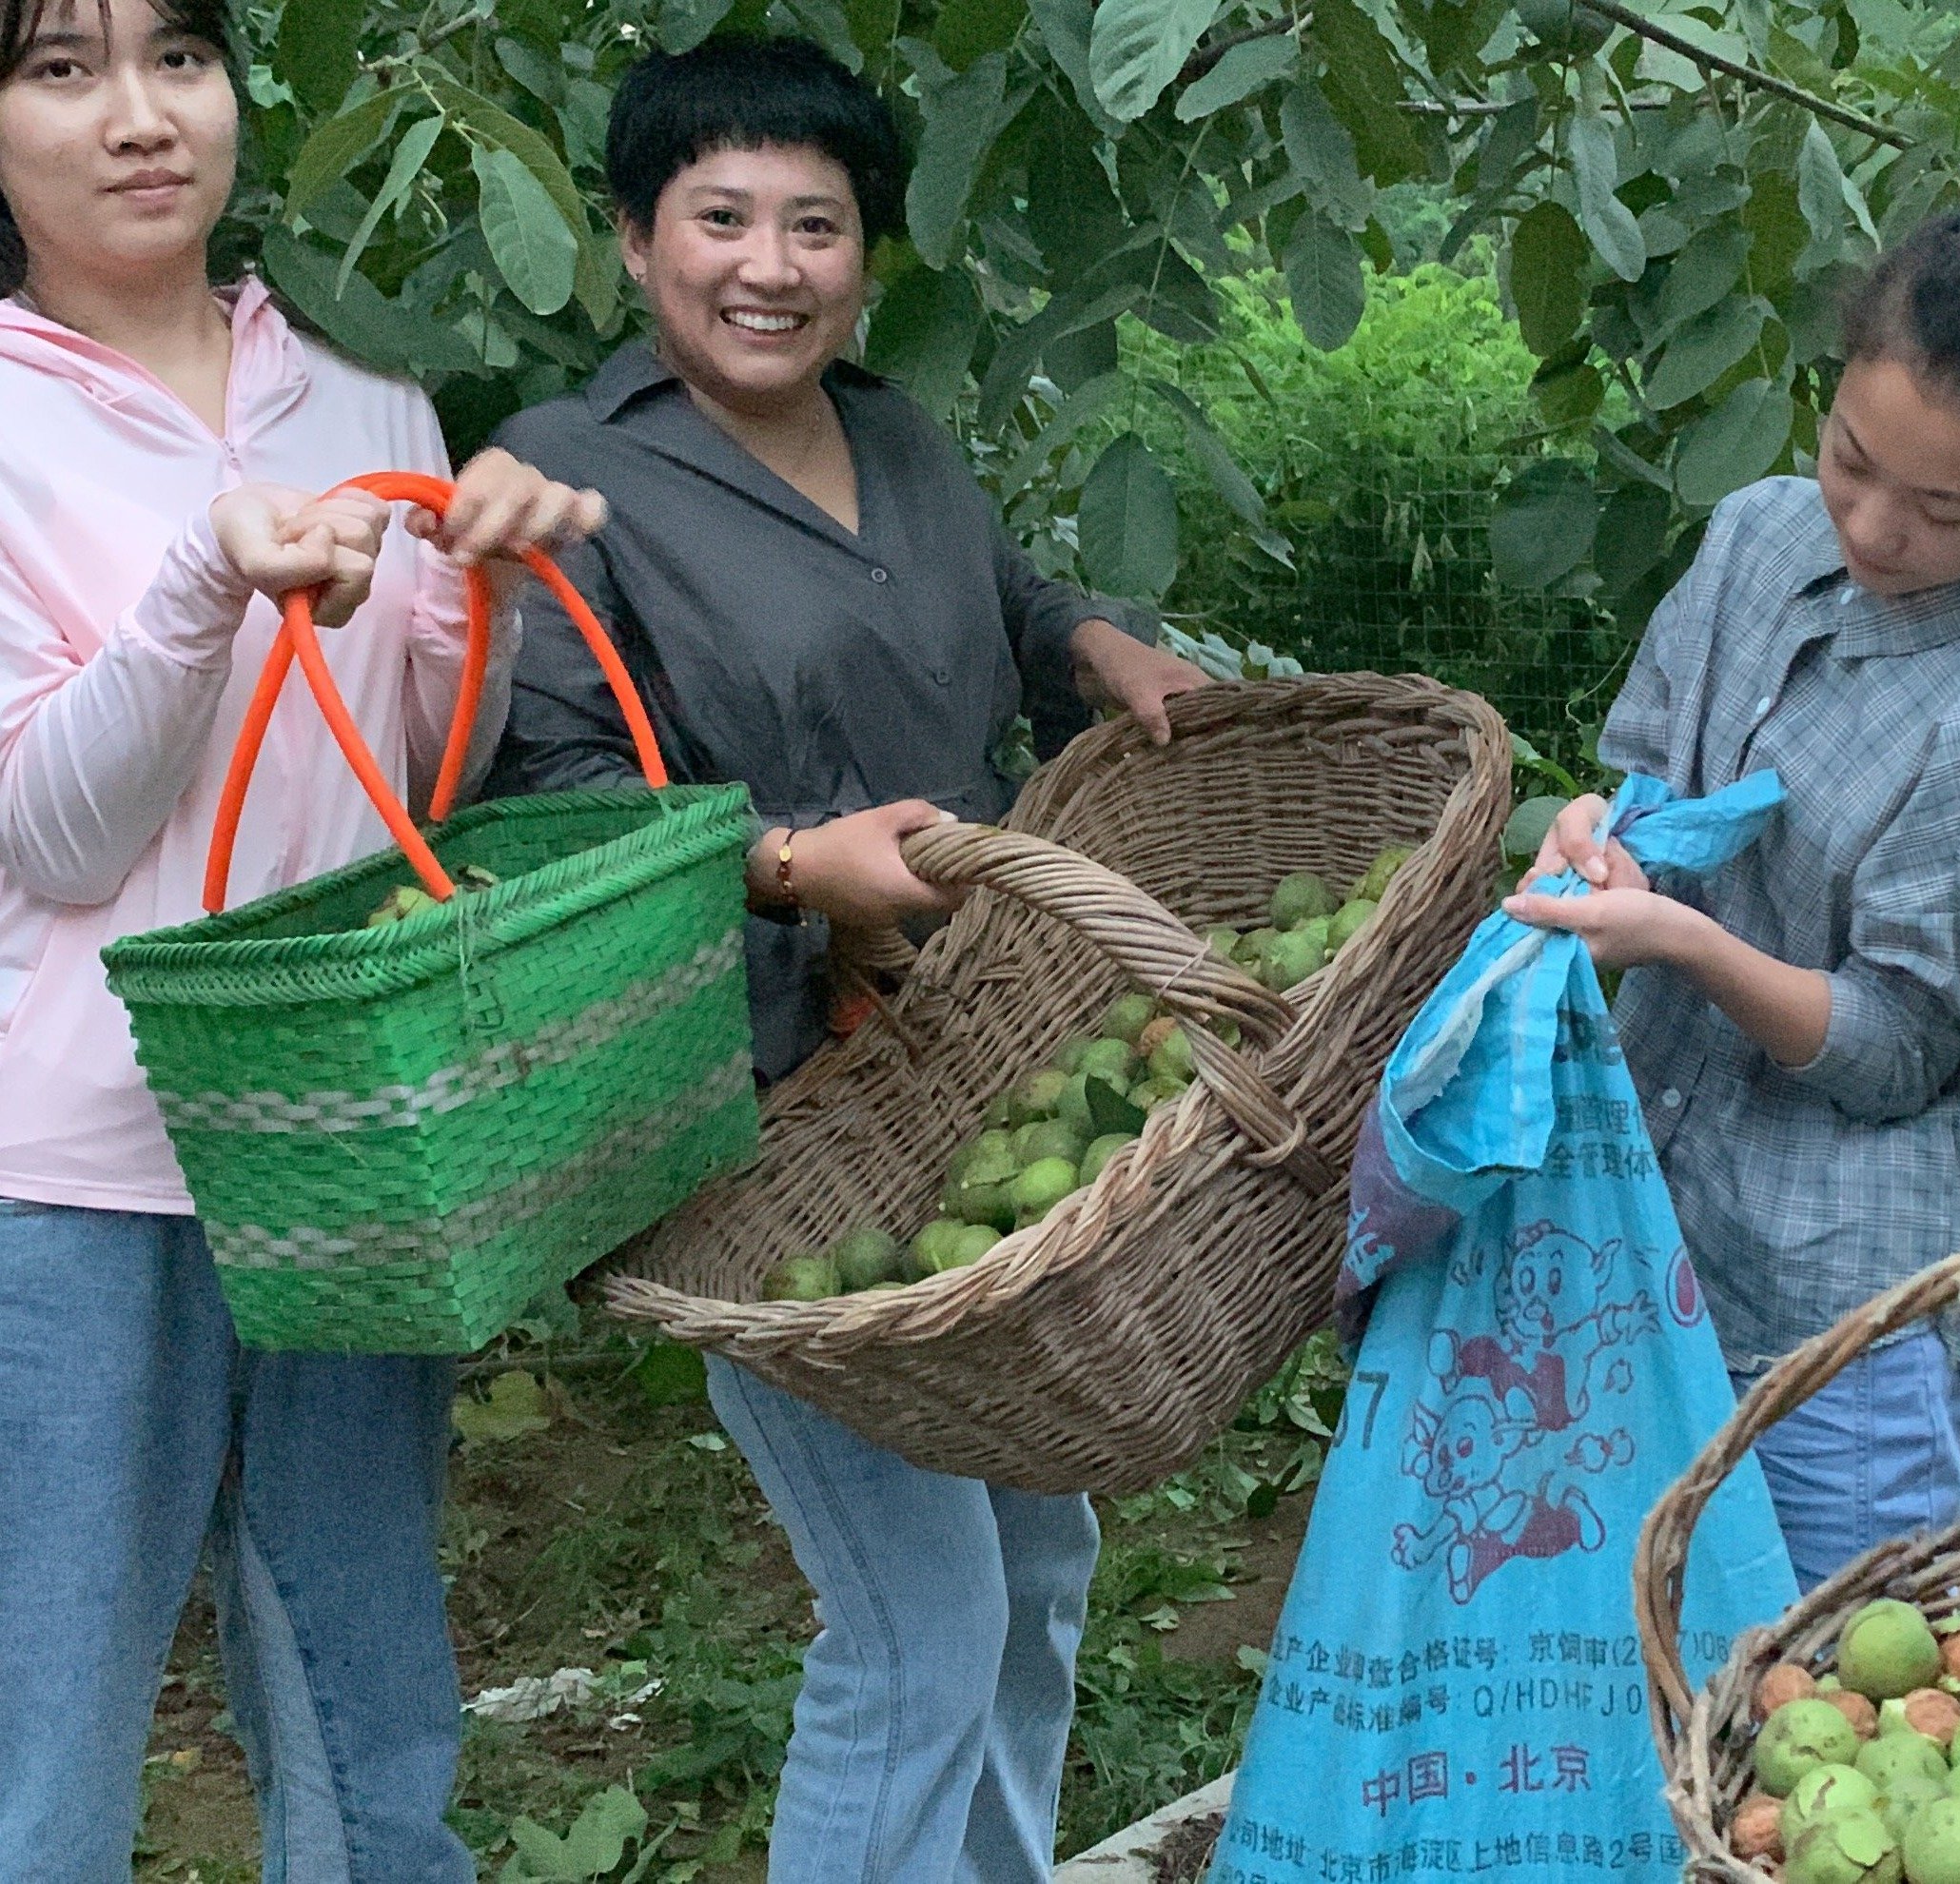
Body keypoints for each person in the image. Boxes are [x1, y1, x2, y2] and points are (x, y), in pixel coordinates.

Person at [480, 37, 1209, 1881]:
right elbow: (544, 804)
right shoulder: (570, 479)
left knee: (1041, 1563)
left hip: (967, 1074)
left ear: (866, 253)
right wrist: (792, 864)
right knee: (919, 1631)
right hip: (758, 1124)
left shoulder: (891, 432)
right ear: (637, 243)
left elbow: (994, 592)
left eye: (817, 223)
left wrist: (1097, 638)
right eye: (720, 216)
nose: (770, 264)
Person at [0, 0, 603, 1875]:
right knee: (59, 1729)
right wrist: (203, 574)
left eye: (176, 57)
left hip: (355, 1139)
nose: (137, 117)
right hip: (85, 1160)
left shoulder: (366, 402)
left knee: (369, 1699)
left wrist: (475, 598)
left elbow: (405, 786)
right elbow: (55, 831)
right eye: (57, 68)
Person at [1508, 174, 1960, 1587]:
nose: (1872, 525)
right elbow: (1646, 763)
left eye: (1942, 508)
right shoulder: (1754, 539)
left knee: (1814, 1715)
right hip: (1662, 1227)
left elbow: (1896, 1050)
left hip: (1846, 1308)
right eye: (1851, 457)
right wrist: (1596, 827)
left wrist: (1682, 944)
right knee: (1635, 1657)